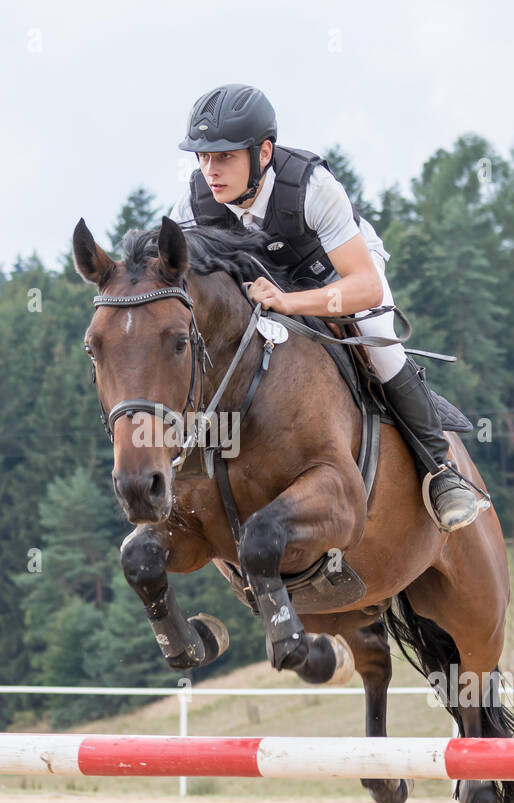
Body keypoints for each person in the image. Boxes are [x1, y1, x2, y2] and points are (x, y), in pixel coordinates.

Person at [168, 82, 484, 532]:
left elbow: (365, 288)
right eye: (202, 157)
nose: (210, 170)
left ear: (263, 153)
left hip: (340, 276)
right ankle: (189, 469)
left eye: (224, 157)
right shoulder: (195, 203)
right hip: (264, 287)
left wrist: (290, 302)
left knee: (380, 346)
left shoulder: (310, 187)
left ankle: (441, 470)